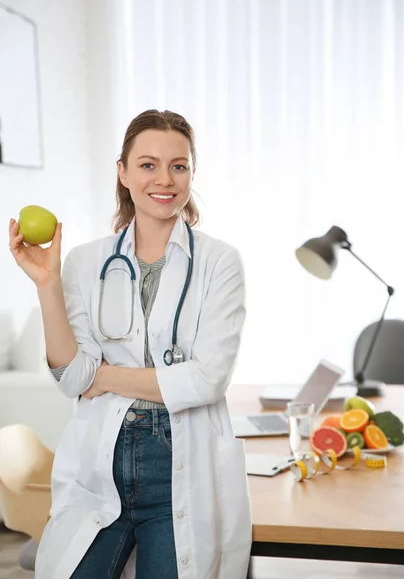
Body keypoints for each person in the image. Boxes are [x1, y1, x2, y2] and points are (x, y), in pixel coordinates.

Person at [9, 109, 252, 579]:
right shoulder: (84, 261)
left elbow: (206, 379)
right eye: (147, 164)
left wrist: (105, 377)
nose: (165, 179)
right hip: (102, 461)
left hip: (180, 459)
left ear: (192, 172)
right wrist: (47, 284)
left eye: (178, 165)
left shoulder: (220, 262)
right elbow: (72, 378)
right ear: (122, 172)